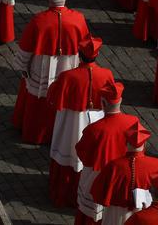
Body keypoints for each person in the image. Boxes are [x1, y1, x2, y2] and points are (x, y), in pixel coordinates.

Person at [13, 0, 91, 144]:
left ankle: (36, 134)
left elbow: (26, 48)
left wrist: (23, 67)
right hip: (68, 65)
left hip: (42, 65)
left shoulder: (39, 20)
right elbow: (86, 46)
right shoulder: (78, 19)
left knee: (39, 100)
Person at [46, 36, 116, 207]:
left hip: (72, 121)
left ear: (79, 55)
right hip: (98, 119)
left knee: (68, 152)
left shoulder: (68, 76)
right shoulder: (106, 74)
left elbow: (53, 96)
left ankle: (65, 192)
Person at [73, 81, 139, 225]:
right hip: (123, 176)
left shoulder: (94, 129)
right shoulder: (134, 121)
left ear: (103, 102)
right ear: (120, 100)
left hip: (97, 176)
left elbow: (82, 154)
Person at [90, 122, 158, 222]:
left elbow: (97, 193)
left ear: (126, 143)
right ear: (144, 144)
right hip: (147, 214)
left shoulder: (114, 166)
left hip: (117, 215)